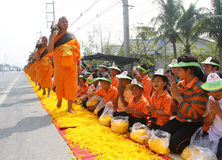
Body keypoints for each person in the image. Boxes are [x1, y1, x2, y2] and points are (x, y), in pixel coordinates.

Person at [158, 53, 208, 154]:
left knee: (174, 146)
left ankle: (197, 138)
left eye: (180, 70)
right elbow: (175, 106)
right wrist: (175, 98)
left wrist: (178, 98)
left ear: (189, 71)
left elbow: (194, 115)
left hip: (193, 123)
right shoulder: (180, 84)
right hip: (179, 119)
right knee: (158, 137)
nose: (177, 72)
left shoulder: (199, 88)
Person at [47, 16, 81, 114]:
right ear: (59, 24)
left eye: (67, 22)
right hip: (59, 64)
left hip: (72, 63)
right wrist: (53, 36)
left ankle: (69, 107)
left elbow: (77, 50)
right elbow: (49, 50)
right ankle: (60, 98)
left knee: (71, 84)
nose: (65, 23)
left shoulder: (71, 35)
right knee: (59, 82)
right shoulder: (54, 35)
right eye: (63, 22)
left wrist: (79, 64)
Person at [201, 72, 222, 159]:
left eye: (220, 88)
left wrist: (219, 112)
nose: (218, 92)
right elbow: (207, 122)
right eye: (214, 89)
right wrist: (213, 112)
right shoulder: (210, 100)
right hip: (215, 134)